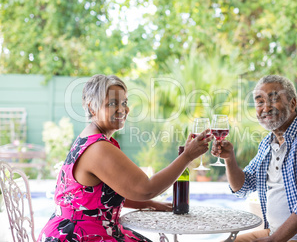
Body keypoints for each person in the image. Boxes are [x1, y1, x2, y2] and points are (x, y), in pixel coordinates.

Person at [37, 74, 212, 242]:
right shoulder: (98, 148)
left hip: (77, 230)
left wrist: (149, 204)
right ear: (92, 108)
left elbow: (99, 196)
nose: (122, 109)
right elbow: (146, 188)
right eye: (112, 103)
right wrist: (187, 156)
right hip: (81, 235)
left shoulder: (92, 138)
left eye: (124, 102)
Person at [212, 75, 297, 242]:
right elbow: (243, 187)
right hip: (275, 234)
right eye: (260, 102)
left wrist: (274, 240)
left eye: (273, 99)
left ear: (292, 103)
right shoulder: (267, 144)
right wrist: (229, 158)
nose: (266, 108)